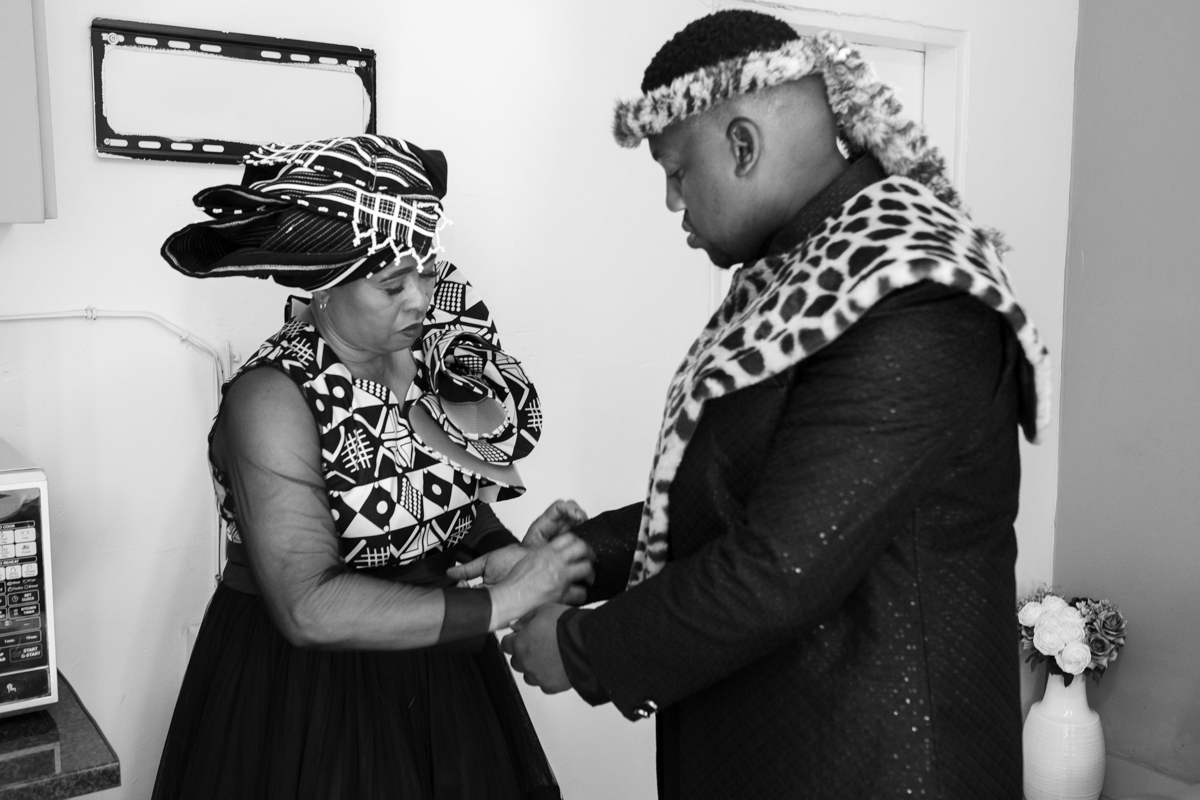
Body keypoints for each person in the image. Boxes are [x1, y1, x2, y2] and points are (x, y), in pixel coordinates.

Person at [491, 11, 1052, 800]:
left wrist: (583, 649)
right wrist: (578, 559)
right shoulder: (801, 274)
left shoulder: (912, 295)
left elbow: (780, 567)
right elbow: (745, 498)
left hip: (879, 770)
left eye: (677, 171)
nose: (671, 201)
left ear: (743, 146)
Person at [153, 134, 590, 800]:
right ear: (326, 286)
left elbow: (437, 498)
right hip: (306, 698)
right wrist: (507, 601)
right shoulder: (273, 396)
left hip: (438, 674)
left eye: (427, 272)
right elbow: (308, 605)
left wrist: (500, 551)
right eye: (392, 284)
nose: (420, 299)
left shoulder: (425, 358)